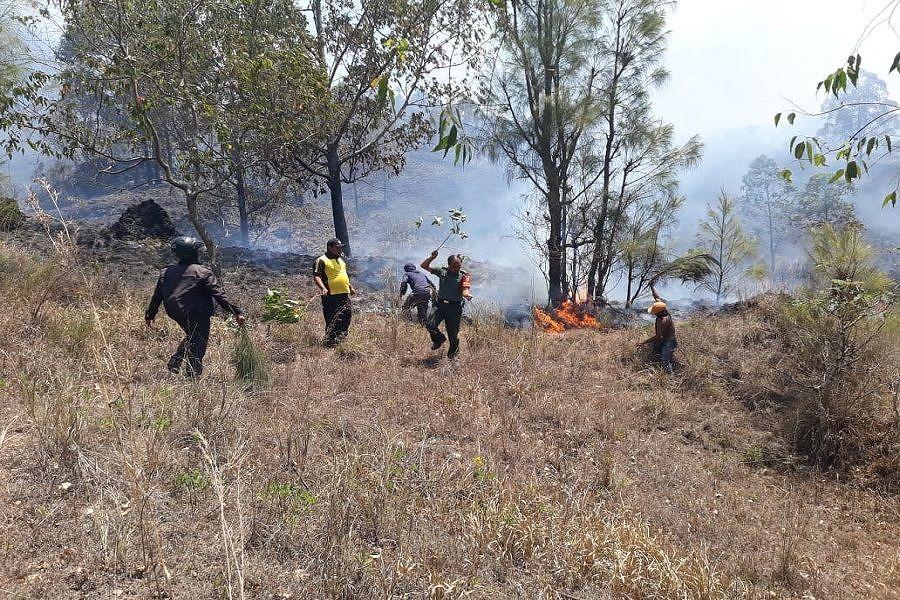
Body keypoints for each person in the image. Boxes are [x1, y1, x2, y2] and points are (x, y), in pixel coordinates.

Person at [145, 236, 245, 377]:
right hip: (197, 313)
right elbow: (219, 295)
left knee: (192, 335)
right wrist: (237, 312)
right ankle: (192, 377)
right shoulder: (203, 272)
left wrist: (150, 315)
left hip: (175, 312)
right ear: (193, 253)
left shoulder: (166, 272)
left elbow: (157, 296)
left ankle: (176, 361)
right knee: (199, 344)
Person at [420, 250, 473, 359]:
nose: (457, 268)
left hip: (454, 308)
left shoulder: (464, 276)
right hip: (440, 305)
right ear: (448, 265)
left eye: (459, 266)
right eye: (454, 266)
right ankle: (439, 339)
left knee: (453, 335)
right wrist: (432, 257)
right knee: (430, 325)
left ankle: (452, 356)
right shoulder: (442, 271)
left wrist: (467, 295)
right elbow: (424, 266)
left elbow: (465, 289)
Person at [313, 238, 355, 347]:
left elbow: (343, 276)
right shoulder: (321, 260)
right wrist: (323, 288)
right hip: (331, 295)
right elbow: (317, 276)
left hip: (344, 294)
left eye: (341, 248)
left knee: (347, 315)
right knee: (332, 317)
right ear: (330, 247)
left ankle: (341, 338)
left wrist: (350, 287)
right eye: (338, 248)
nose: (340, 250)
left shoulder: (341, 261)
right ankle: (329, 342)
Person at [636, 284, 677, 374]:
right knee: (655, 351)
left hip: (668, 342)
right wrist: (651, 287)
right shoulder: (665, 310)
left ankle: (671, 378)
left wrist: (643, 342)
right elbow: (657, 297)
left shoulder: (661, 321)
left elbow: (658, 337)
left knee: (665, 360)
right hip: (671, 340)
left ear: (658, 313)